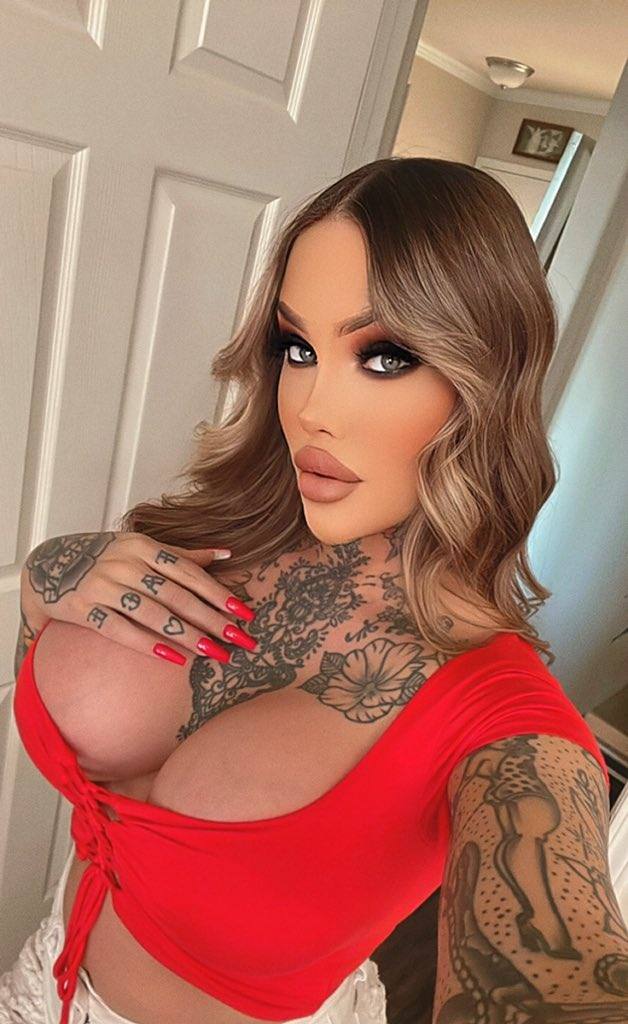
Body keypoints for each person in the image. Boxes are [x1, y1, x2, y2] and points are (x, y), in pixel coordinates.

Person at [5, 157, 626, 1024]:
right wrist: (49, 573)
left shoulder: (504, 724)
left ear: (485, 382)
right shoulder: (215, 542)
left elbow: (556, 971)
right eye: (298, 348)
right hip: (42, 983)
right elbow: (46, 640)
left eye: (384, 356)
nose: (309, 408)